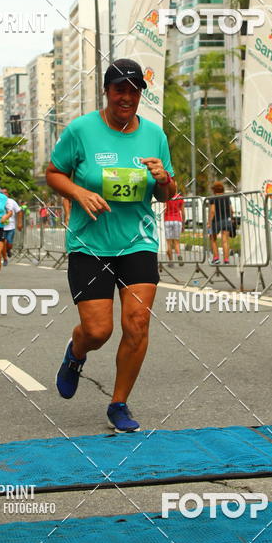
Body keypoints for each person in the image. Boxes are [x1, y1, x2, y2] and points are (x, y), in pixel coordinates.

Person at [46, 58, 177, 433]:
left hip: (137, 241)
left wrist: (164, 177)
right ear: (107, 91)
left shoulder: (155, 135)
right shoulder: (81, 130)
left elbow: (168, 193)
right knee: (98, 330)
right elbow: (54, 173)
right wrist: (79, 192)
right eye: (120, 89)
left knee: (137, 323)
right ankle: (76, 353)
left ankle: (119, 403)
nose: (127, 97)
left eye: (134, 91)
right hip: (90, 244)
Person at [208, 181, 233, 265]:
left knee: (213, 239)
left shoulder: (213, 198)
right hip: (226, 220)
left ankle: (216, 258)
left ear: (214, 190)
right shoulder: (227, 197)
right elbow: (231, 210)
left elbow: (212, 211)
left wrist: (209, 222)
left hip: (216, 221)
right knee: (225, 241)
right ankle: (226, 260)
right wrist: (231, 219)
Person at [1, 189, 23, 266]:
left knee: (9, 243)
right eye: (2, 193)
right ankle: (5, 259)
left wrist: (19, 223)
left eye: (5, 192)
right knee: (3, 243)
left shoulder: (12, 202)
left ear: (8, 194)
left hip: (11, 226)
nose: (4, 194)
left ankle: (8, 250)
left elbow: (19, 212)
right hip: (1, 227)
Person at [164, 188, 185, 266]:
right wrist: (183, 224)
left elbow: (164, 209)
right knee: (176, 242)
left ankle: (171, 261)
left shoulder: (167, 197)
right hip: (177, 220)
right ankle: (179, 255)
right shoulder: (180, 198)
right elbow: (183, 212)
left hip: (168, 220)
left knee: (169, 243)